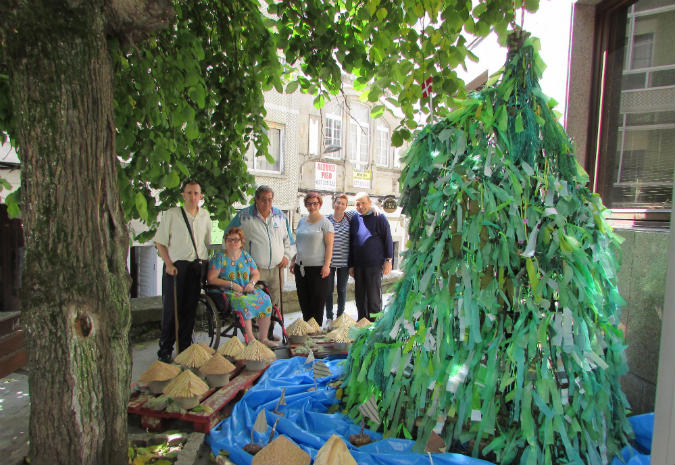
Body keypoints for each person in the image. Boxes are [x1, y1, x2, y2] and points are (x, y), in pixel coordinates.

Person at [225, 185, 295, 341]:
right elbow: (229, 236)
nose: (267, 203)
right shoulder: (244, 216)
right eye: (263, 199)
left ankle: (268, 334)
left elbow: (289, 240)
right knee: (255, 303)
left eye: (270, 199)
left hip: (277, 268)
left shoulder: (280, 216)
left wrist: (286, 256)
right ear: (256, 200)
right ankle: (255, 338)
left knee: (274, 303)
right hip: (254, 270)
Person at [154, 180, 212, 363]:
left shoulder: (205, 216)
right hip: (177, 268)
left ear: (201, 196)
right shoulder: (172, 214)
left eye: (196, 193)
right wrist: (168, 263)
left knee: (189, 310)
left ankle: (185, 348)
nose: (193, 196)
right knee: (172, 311)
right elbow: (160, 242)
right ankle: (165, 350)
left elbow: (207, 243)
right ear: (183, 195)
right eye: (189, 193)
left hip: (196, 267)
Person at [207, 227, 276, 347]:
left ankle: (263, 338)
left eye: (236, 240)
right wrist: (231, 284)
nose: (233, 242)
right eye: (229, 240)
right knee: (243, 301)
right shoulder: (219, 258)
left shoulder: (245, 256)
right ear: (225, 241)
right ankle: (250, 339)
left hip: (246, 288)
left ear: (241, 242)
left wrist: (251, 283)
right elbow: (211, 279)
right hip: (227, 292)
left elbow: (255, 273)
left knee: (265, 299)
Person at [290, 192, 334, 326]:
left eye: (315, 203)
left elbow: (329, 246)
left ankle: (315, 336)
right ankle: (307, 333)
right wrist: (294, 260)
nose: (312, 206)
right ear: (305, 205)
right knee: (304, 303)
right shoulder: (302, 221)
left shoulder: (326, 223)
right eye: (309, 203)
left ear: (319, 204)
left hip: (318, 269)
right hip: (301, 268)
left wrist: (327, 265)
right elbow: (299, 243)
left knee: (317, 304)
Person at [349, 192, 394, 321]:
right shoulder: (354, 219)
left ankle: (375, 325)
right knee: (360, 297)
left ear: (370, 203)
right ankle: (362, 322)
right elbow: (351, 242)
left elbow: (388, 239)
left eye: (363, 203)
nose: (360, 206)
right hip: (358, 265)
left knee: (374, 298)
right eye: (358, 204)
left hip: (374, 264)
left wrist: (388, 260)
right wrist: (351, 265)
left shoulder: (379, 217)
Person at [324, 194, 352, 326]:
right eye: (338, 202)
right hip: (329, 262)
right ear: (334, 203)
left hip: (345, 263)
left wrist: (374, 208)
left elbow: (366, 210)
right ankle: (329, 317)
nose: (340, 205)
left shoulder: (350, 218)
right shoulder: (327, 219)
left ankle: (340, 316)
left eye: (343, 203)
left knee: (342, 290)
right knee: (328, 290)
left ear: (346, 206)